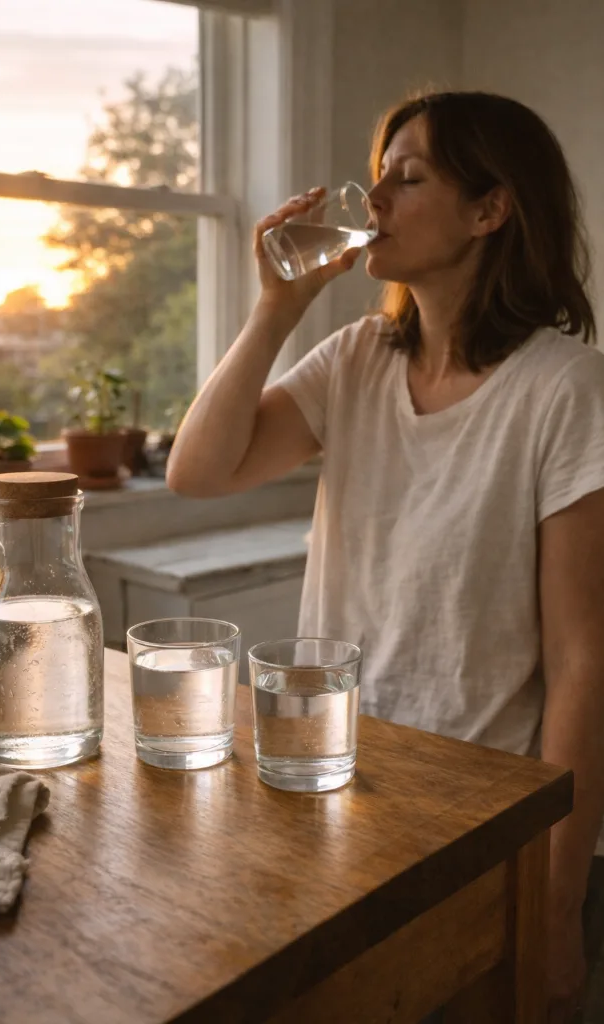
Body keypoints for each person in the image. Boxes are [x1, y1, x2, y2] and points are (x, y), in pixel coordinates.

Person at [166, 91, 604, 1022]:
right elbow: (196, 473)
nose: (373, 201)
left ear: (490, 211)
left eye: (407, 180)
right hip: (344, 792)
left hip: (487, 823)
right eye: (378, 176)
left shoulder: (565, 389)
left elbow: (583, 665)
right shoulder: (354, 356)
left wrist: (558, 903)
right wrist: (276, 309)